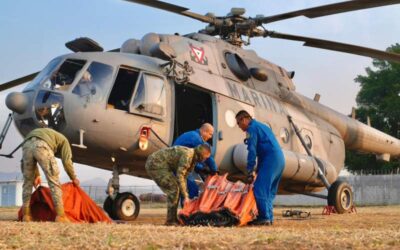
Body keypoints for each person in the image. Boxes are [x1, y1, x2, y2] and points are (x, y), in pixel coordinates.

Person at [235, 110, 285, 226]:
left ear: (244, 119)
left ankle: (264, 217)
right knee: (268, 191)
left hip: (271, 159)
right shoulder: (261, 126)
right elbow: (263, 149)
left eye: (238, 123)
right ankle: (269, 218)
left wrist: (249, 170)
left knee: (259, 188)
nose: (239, 126)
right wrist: (258, 170)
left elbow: (252, 151)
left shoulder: (252, 129)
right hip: (279, 159)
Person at [21, 127, 80, 223]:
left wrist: (37, 175)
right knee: (54, 181)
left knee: (27, 183)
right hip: (42, 145)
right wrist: (73, 178)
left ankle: (26, 216)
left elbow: (33, 152)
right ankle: (60, 216)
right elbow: (67, 162)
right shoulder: (64, 141)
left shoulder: (47, 133)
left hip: (26, 145)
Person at [145, 144, 212, 225]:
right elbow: (180, 176)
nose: (205, 160)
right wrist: (186, 196)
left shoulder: (193, 159)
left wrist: (185, 195)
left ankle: (173, 219)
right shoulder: (188, 155)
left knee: (176, 188)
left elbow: (184, 178)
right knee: (174, 189)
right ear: (201, 154)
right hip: (156, 164)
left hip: (161, 164)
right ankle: (171, 221)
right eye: (205, 157)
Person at [173, 123, 218, 199]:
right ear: (204, 131)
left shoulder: (191, 135)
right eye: (210, 134)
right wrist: (214, 170)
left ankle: (186, 208)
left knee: (185, 190)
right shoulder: (196, 138)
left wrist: (199, 168)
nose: (210, 137)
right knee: (193, 189)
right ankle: (189, 209)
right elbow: (207, 156)